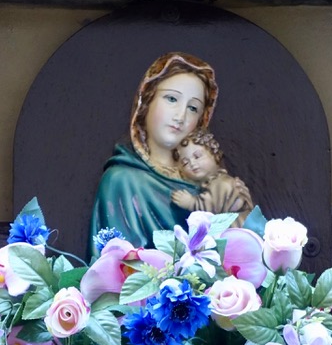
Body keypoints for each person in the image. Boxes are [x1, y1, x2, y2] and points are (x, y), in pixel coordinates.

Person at [90, 52, 223, 252]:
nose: (181, 116)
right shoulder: (121, 181)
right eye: (172, 99)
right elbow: (115, 263)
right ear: (146, 101)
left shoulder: (210, 184)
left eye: (193, 108)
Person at [170, 133, 253, 225]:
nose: (192, 164)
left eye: (197, 156)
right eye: (185, 163)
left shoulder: (222, 182)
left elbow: (212, 206)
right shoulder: (211, 183)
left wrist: (191, 203)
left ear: (214, 154)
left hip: (238, 225)